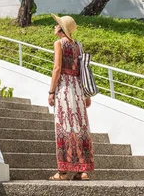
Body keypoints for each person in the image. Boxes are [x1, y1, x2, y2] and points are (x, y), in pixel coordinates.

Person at [48, 14, 94, 181]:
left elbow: (57, 68)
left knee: (64, 128)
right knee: (80, 128)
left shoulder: (59, 44)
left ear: (61, 29)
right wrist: (86, 95)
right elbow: (83, 70)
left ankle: (63, 172)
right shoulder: (78, 46)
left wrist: (51, 91)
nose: (54, 27)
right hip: (78, 89)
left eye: (56, 25)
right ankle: (83, 171)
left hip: (65, 90)